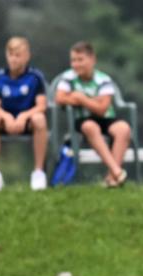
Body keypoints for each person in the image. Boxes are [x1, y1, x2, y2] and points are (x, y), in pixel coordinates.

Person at [55, 41, 130, 188]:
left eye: (80, 60)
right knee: (90, 127)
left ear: (92, 59)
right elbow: (60, 98)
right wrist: (93, 101)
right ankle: (116, 171)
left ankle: (111, 178)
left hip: (105, 118)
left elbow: (102, 109)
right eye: (73, 60)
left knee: (123, 129)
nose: (76, 64)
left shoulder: (104, 79)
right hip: (82, 119)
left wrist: (81, 98)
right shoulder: (68, 78)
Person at [0, 36, 49, 191]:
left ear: (27, 56)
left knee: (40, 119)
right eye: (10, 55)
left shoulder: (35, 77)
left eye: (18, 55)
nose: (13, 59)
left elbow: (41, 105)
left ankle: (38, 173)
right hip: (5, 121)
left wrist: (23, 116)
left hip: (27, 121)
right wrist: (6, 117)